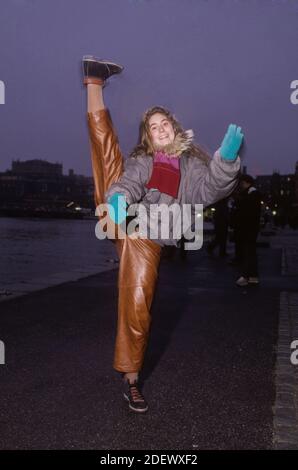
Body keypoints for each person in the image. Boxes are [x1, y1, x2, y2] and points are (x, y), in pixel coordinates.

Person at [82, 55, 243, 413]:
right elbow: (129, 182)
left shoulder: (191, 164)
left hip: (149, 235)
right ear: (149, 137)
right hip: (127, 219)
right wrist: (119, 203)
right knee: (111, 160)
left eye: (164, 122)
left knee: (139, 300)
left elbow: (209, 191)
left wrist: (226, 160)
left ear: (174, 127)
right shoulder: (144, 160)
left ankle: (130, 379)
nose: (161, 128)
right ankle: (93, 83)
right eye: (153, 126)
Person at [235, 174, 261, 286]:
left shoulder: (252, 194)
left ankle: (246, 277)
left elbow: (245, 209)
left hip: (249, 228)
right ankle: (253, 276)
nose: (241, 185)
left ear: (247, 182)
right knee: (250, 252)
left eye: (242, 183)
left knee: (248, 252)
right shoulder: (251, 194)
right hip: (250, 227)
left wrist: (238, 199)